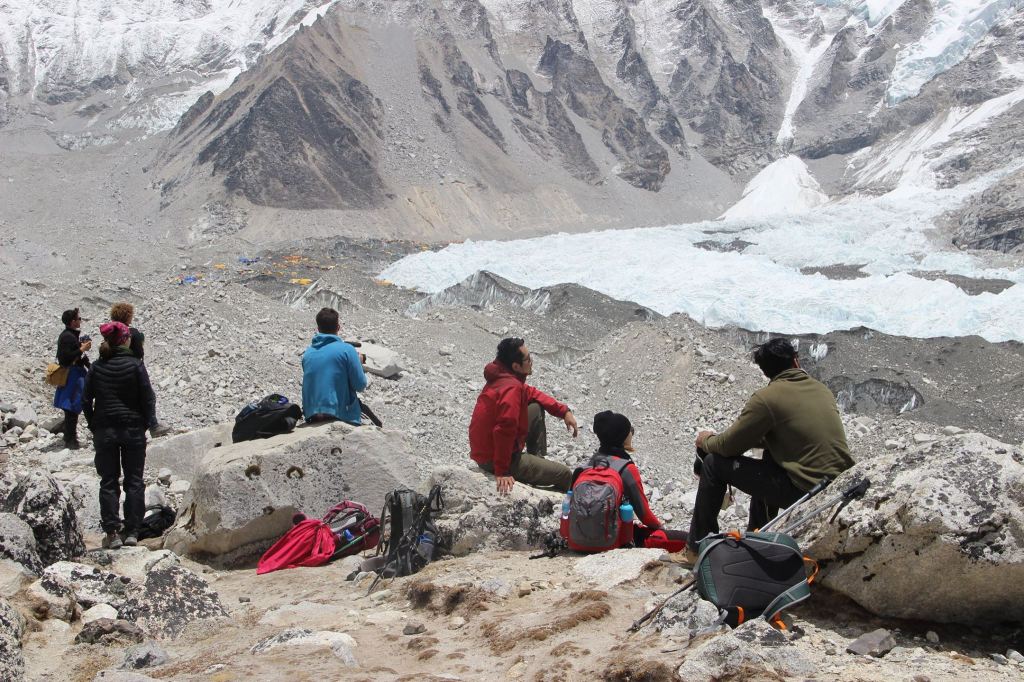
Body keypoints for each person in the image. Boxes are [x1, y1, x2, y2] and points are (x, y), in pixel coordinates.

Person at [687, 338, 854, 559]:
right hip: (840, 484)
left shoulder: (766, 398)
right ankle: (758, 537)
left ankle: (697, 548)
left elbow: (727, 447)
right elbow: (793, 437)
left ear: (765, 372)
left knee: (713, 464)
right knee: (769, 459)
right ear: (796, 361)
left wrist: (706, 440)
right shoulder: (822, 390)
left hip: (806, 490)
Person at [469, 337, 579, 494]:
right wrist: (502, 471)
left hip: (486, 450)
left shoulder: (503, 376)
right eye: (528, 359)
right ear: (516, 366)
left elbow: (532, 393)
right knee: (565, 474)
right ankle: (551, 497)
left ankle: (537, 460)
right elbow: (503, 429)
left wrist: (564, 411)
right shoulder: (512, 388)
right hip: (495, 459)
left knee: (535, 406)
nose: (531, 361)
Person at [82, 321, 157, 549]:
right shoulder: (135, 365)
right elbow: (148, 397)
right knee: (134, 480)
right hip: (133, 429)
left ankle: (112, 532)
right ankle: (133, 530)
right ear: (125, 340)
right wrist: (148, 423)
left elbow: (86, 400)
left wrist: (93, 423)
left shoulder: (96, 367)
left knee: (108, 481)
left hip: (105, 430)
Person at [587, 411, 687, 552]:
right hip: (612, 538)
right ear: (622, 437)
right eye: (629, 431)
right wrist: (660, 527)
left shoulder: (587, 465)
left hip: (580, 535)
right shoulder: (626, 468)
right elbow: (645, 516)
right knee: (669, 538)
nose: (631, 433)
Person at [301, 307, 368, 426]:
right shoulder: (347, 350)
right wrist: (358, 362)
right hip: (340, 414)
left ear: (318, 328)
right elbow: (360, 385)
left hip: (312, 416)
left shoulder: (308, 354)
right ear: (338, 327)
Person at [54, 308, 91, 449]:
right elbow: (66, 357)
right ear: (72, 322)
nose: (80, 321)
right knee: (72, 407)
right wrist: (81, 349)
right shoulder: (67, 337)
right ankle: (70, 440)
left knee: (73, 407)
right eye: (78, 319)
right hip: (72, 376)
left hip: (75, 374)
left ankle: (69, 436)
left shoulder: (70, 335)